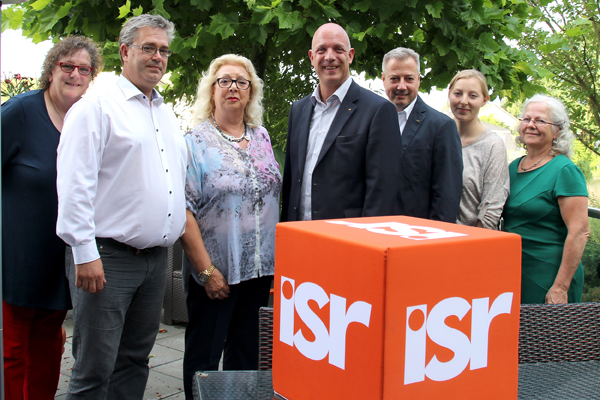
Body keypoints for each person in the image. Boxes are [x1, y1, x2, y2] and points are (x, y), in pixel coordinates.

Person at [56, 14, 187, 399]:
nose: (157, 57)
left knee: (134, 361)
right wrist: (84, 253)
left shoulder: (163, 113)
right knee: (94, 370)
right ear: (125, 50)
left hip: (153, 260)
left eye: (163, 50)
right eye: (148, 47)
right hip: (106, 259)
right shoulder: (96, 107)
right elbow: (73, 185)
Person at [2, 36, 102, 400]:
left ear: (92, 76)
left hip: (61, 259)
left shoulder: (87, 118)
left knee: (49, 347)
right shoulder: (20, 112)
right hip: (17, 257)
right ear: (51, 70)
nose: (75, 74)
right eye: (67, 66)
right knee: (11, 350)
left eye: (84, 68)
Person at [180, 54, 282, 399]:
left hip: (258, 272)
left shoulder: (262, 136)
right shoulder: (195, 142)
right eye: (224, 81)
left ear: (251, 92)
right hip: (216, 272)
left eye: (241, 81)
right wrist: (206, 271)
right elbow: (184, 211)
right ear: (212, 90)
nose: (233, 87)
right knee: (204, 360)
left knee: (247, 358)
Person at [281, 23, 401, 222]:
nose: (329, 57)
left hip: (347, 239)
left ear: (350, 55)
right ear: (312, 57)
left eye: (338, 49)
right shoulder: (298, 110)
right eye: (322, 50)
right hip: (299, 236)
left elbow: (382, 192)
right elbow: (291, 181)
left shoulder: (378, 110)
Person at [503, 94, 589, 304]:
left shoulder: (565, 170)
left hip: (550, 275)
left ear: (557, 130)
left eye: (540, 120)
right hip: (514, 270)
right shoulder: (513, 168)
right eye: (526, 119)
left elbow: (579, 232)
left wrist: (560, 287)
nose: (531, 125)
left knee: (550, 336)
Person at [382, 47, 463, 222]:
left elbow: (447, 196)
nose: (401, 86)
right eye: (394, 78)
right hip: (373, 230)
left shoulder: (442, 127)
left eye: (409, 79)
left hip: (416, 234)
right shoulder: (371, 121)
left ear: (418, 80)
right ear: (383, 79)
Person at [447, 69, 509, 229]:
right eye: (458, 93)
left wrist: (473, 244)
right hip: (432, 238)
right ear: (449, 94)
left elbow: (492, 206)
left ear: (484, 100)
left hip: (473, 241)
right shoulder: (438, 136)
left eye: (473, 96)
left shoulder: (493, 145)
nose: (463, 101)